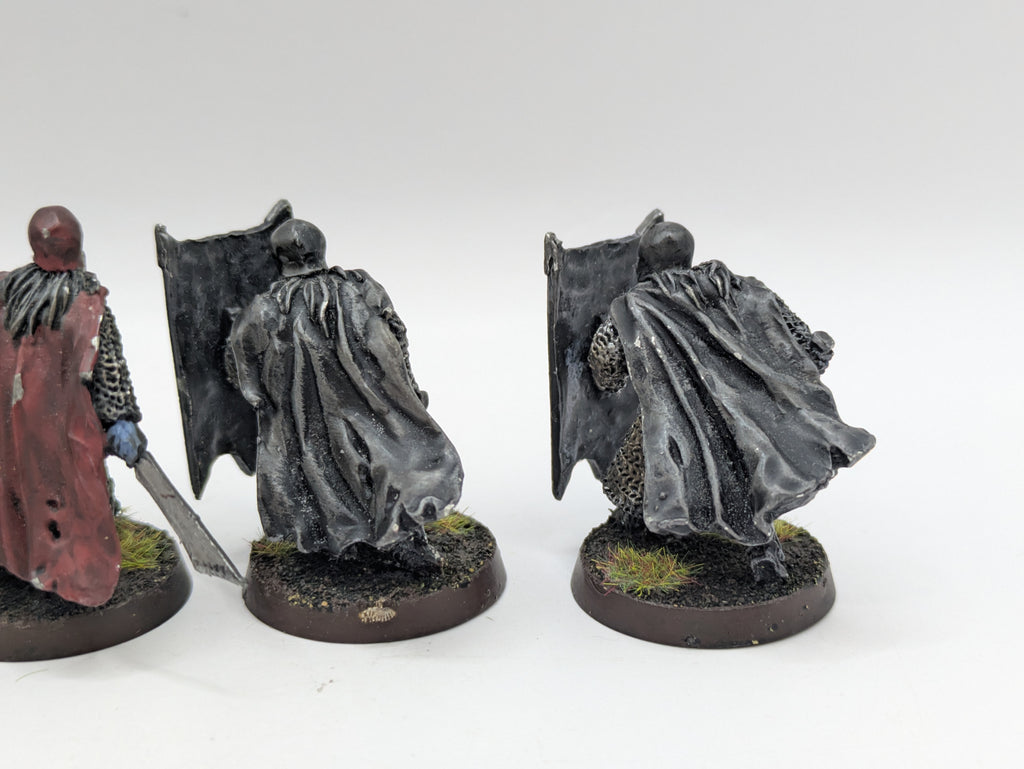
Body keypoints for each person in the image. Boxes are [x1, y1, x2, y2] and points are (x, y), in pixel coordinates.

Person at [588, 221, 875, 581]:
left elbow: (607, 371)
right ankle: (761, 548)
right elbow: (797, 341)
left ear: (645, 262)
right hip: (753, 415)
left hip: (681, 418)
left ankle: (640, 529)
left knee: (637, 475)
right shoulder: (740, 288)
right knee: (753, 471)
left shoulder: (634, 308)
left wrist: (600, 348)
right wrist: (813, 354)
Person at [229, 219, 462, 571]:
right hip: (358, 407)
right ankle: (360, 542)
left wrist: (254, 392)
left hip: (321, 416)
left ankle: (387, 539)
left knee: (329, 469)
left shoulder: (269, 305)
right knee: (374, 459)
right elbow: (395, 332)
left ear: (280, 258)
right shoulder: (358, 285)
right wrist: (409, 384)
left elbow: (243, 349)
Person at [0, 206, 146, 606]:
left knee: (22, 488)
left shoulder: (9, 290)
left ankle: (25, 557)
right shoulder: (85, 303)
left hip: (18, 423)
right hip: (60, 428)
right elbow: (107, 367)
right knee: (76, 494)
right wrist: (119, 417)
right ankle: (67, 568)